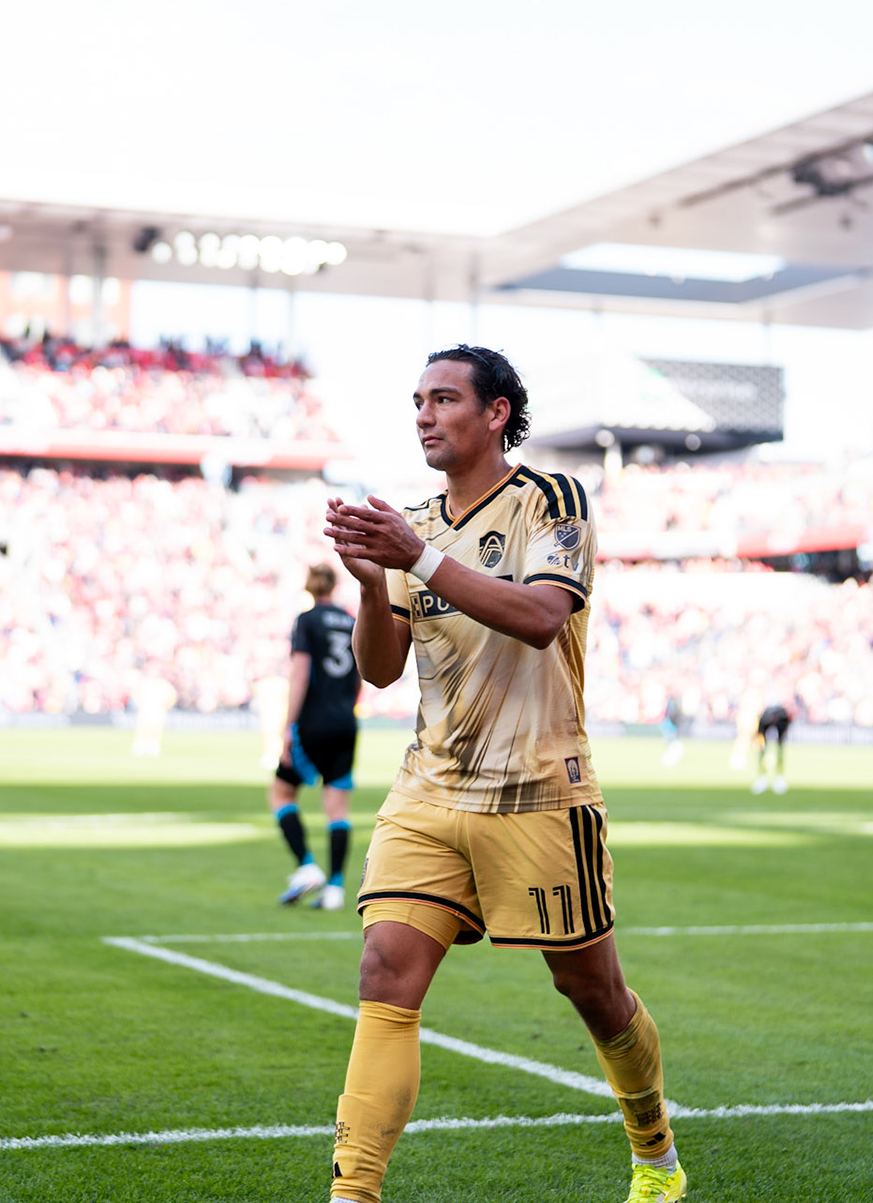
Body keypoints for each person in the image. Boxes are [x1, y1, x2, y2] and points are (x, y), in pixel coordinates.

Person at [321, 345, 684, 1203]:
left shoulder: (552, 500)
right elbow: (381, 669)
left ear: (496, 414)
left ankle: (656, 1155)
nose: (423, 415)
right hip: (429, 790)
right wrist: (371, 586)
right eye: (417, 400)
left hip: (538, 793)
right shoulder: (415, 525)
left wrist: (417, 558)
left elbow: (542, 615)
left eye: (444, 398)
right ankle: (353, 1193)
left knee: (592, 991)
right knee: (384, 971)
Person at [271, 562, 361, 910]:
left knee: (281, 793)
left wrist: (288, 725)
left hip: (312, 722)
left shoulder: (306, 620)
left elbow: (300, 672)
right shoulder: (351, 621)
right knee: (338, 808)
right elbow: (360, 674)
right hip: (345, 723)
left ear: (309, 586)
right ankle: (335, 888)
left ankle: (307, 867)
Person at [752, 699, 791, 794]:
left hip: (781, 716)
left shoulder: (782, 716)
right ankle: (762, 777)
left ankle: (779, 777)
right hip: (765, 715)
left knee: (780, 750)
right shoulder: (764, 717)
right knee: (761, 750)